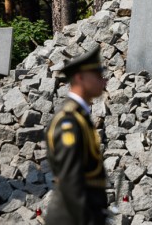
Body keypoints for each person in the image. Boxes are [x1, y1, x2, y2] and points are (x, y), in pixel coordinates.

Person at [44, 47, 109, 225]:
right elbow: (70, 180)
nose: (102, 80)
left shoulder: (80, 117)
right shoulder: (68, 122)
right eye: (96, 74)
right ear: (80, 78)